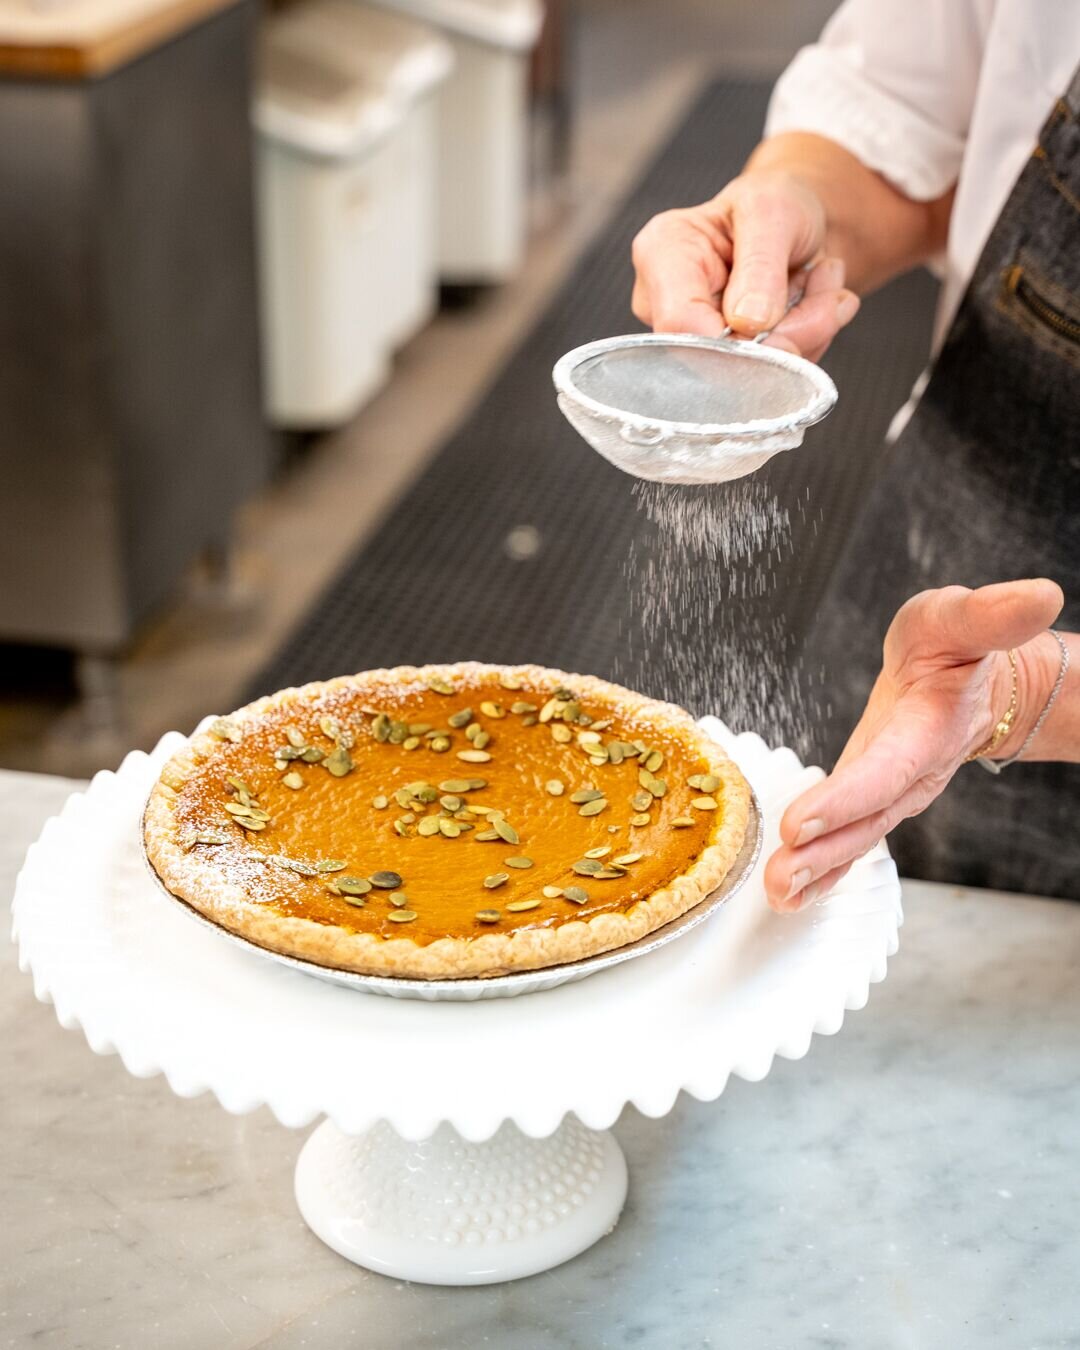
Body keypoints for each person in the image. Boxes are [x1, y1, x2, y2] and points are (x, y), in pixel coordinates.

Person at [630, 1, 1080, 908]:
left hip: (990, 677)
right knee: (854, 927)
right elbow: (905, 114)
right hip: (955, 594)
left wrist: (1033, 689)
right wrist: (796, 212)